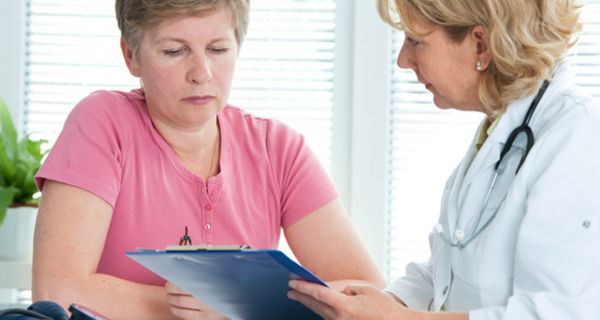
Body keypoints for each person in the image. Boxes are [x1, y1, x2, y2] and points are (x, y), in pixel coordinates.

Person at [31, 1, 384, 319]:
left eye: (218, 49)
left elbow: (366, 295)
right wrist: (211, 308)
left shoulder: (279, 148)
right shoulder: (103, 122)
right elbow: (58, 291)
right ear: (131, 55)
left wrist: (240, 306)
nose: (202, 73)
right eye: (173, 51)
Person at [288, 0, 600, 319]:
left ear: (480, 45)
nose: (402, 60)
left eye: (415, 41)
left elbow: (562, 313)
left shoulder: (576, 136)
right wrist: (374, 301)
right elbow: (447, 273)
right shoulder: (500, 132)